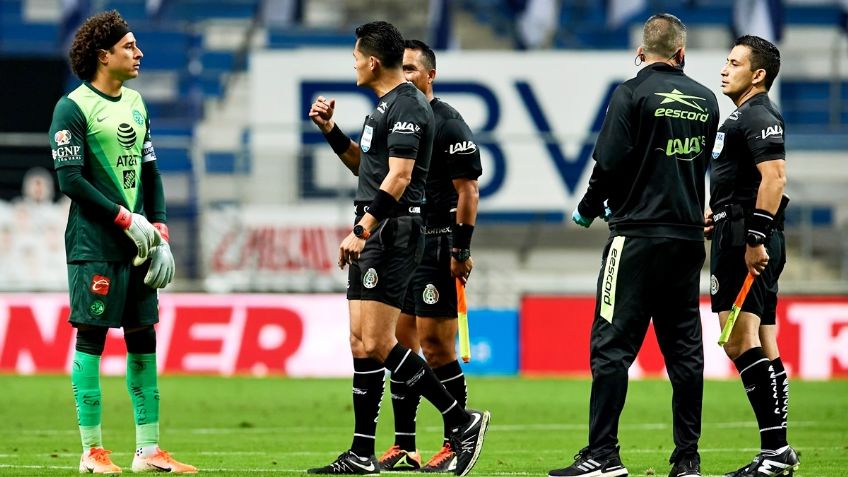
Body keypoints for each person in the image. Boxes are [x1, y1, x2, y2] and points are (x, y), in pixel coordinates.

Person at [306, 21, 489, 476]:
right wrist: (331, 131)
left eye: (355, 56)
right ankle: (362, 452)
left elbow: (401, 179)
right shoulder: (382, 108)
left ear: (371, 61)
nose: (352, 63)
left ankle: (460, 420)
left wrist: (364, 229)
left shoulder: (408, 107)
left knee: (382, 341)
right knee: (360, 343)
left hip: (390, 230)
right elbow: (367, 170)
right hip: (373, 224)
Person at [553, 13, 718, 477]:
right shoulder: (707, 102)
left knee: (611, 348)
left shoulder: (629, 93)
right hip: (686, 240)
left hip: (636, 239)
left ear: (640, 54)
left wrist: (589, 208)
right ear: (682, 54)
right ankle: (687, 458)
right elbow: (692, 167)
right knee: (684, 352)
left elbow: (609, 163)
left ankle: (603, 455)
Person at [48, 10, 195, 474]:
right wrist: (122, 217)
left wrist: (162, 228)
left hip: (140, 241)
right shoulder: (71, 108)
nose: (139, 53)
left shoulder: (135, 102)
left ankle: (148, 451)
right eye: (129, 46)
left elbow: (150, 171)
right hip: (96, 244)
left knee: (143, 339)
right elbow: (70, 179)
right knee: (91, 338)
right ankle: (91, 452)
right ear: (102, 55)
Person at [376, 40, 482, 473]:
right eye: (400, 69)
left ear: (430, 75)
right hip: (405, 244)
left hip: (439, 243)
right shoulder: (396, 119)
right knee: (401, 344)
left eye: (412, 69)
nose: (405, 76)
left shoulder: (448, 122)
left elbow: (468, 191)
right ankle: (405, 445)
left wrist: (460, 248)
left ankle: (456, 440)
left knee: (438, 348)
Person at [705, 35, 799, 477]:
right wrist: (718, 210)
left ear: (757, 74)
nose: (725, 69)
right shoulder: (743, 115)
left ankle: (776, 451)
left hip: (746, 237)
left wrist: (753, 237)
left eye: (734, 62)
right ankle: (778, 451)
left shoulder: (759, 113)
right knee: (763, 339)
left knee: (738, 339)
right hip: (741, 227)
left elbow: (775, 177)